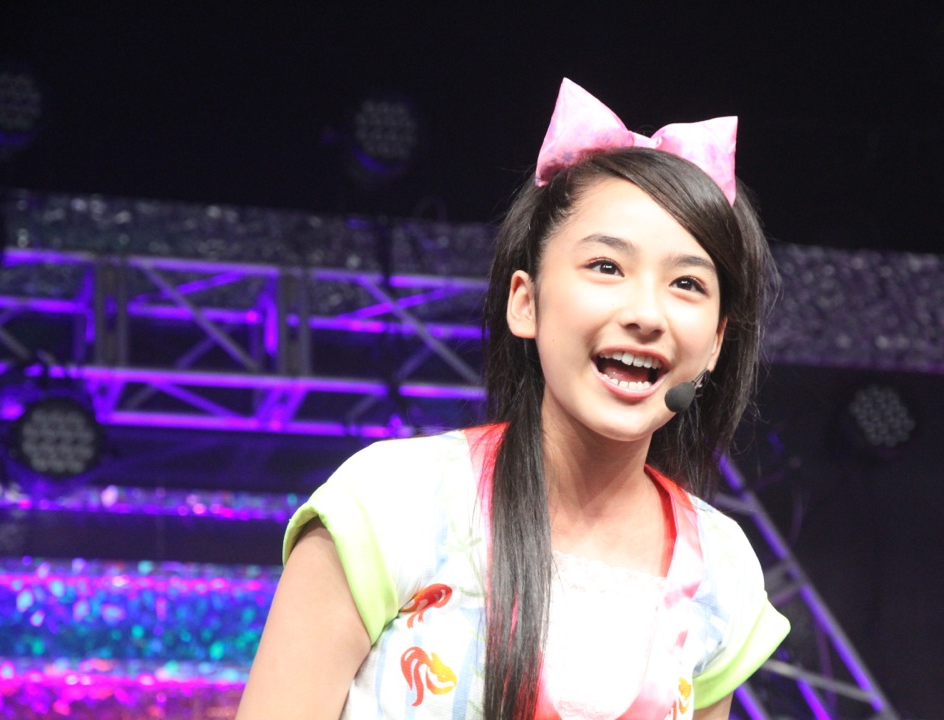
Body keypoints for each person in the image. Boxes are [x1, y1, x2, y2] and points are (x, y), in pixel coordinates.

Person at [237, 78, 789, 720]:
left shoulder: (720, 569)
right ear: (525, 302)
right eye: (606, 267)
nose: (646, 313)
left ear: (717, 341)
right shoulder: (396, 501)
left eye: (687, 283)